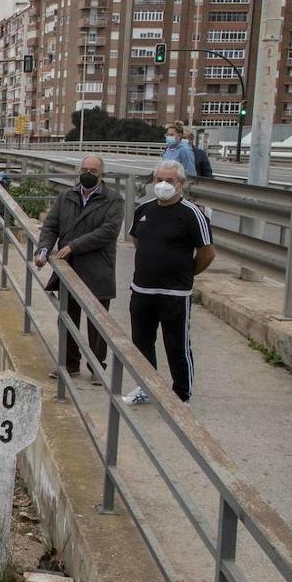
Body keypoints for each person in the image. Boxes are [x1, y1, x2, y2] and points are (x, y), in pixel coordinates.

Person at [122, 160, 215, 407]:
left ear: (181, 184)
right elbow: (138, 242)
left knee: (177, 345)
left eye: (169, 180)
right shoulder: (144, 210)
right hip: (142, 290)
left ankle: (181, 395)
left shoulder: (192, 214)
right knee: (142, 343)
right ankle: (146, 387)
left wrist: (186, 274)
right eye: (159, 180)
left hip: (175, 293)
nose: (163, 185)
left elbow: (207, 252)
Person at [34, 155, 124, 386]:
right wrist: (43, 249)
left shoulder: (113, 200)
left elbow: (108, 232)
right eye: (84, 169)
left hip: (98, 269)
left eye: (93, 170)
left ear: (102, 174)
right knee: (67, 318)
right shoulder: (66, 196)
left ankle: (97, 368)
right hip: (69, 270)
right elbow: (51, 225)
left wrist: (73, 246)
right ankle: (69, 363)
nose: (88, 174)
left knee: (97, 323)